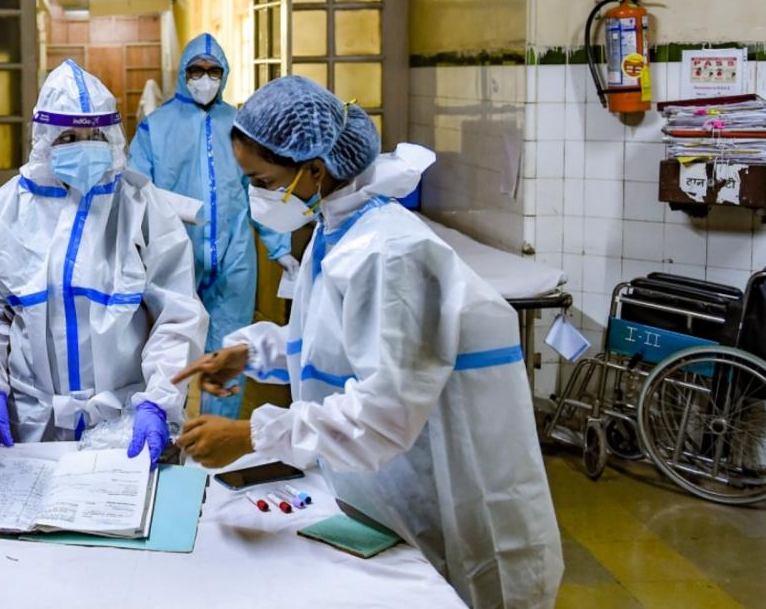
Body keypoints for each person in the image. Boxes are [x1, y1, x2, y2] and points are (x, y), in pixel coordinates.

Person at [173, 76, 563, 608]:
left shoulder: (391, 252)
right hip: (387, 491)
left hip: (450, 503)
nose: (256, 195)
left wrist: (252, 436)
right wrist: (254, 353)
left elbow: (383, 413)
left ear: (314, 168)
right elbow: (337, 341)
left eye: (262, 180)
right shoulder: (338, 228)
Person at [0, 59, 208, 465]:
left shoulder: (141, 204)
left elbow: (178, 316)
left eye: (95, 135)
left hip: (125, 420)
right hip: (32, 421)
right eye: (69, 136)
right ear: (45, 140)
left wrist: (157, 402)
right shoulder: (6, 210)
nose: (84, 145)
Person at [129, 33, 296, 419]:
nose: (205, 78)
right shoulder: (156, 127)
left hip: (234, 257)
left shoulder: (241, 124)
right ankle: (164, 431)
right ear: (182, 74)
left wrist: (281, 247)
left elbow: (260, 190)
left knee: (227, 351)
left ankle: (216, 439)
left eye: (213, 70)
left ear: (225, 74)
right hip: (173, 257)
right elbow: (135, 194)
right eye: (197, 70)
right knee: (168, 348)